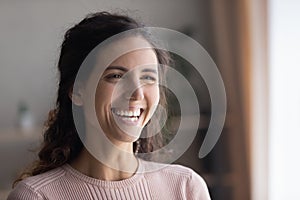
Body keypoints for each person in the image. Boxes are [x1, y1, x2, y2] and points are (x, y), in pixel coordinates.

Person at [8, 11, 211, 200]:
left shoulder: (185, 187)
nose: (137, 93)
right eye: (116, 76)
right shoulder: (36, 196)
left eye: (148, 77)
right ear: (77, 91)